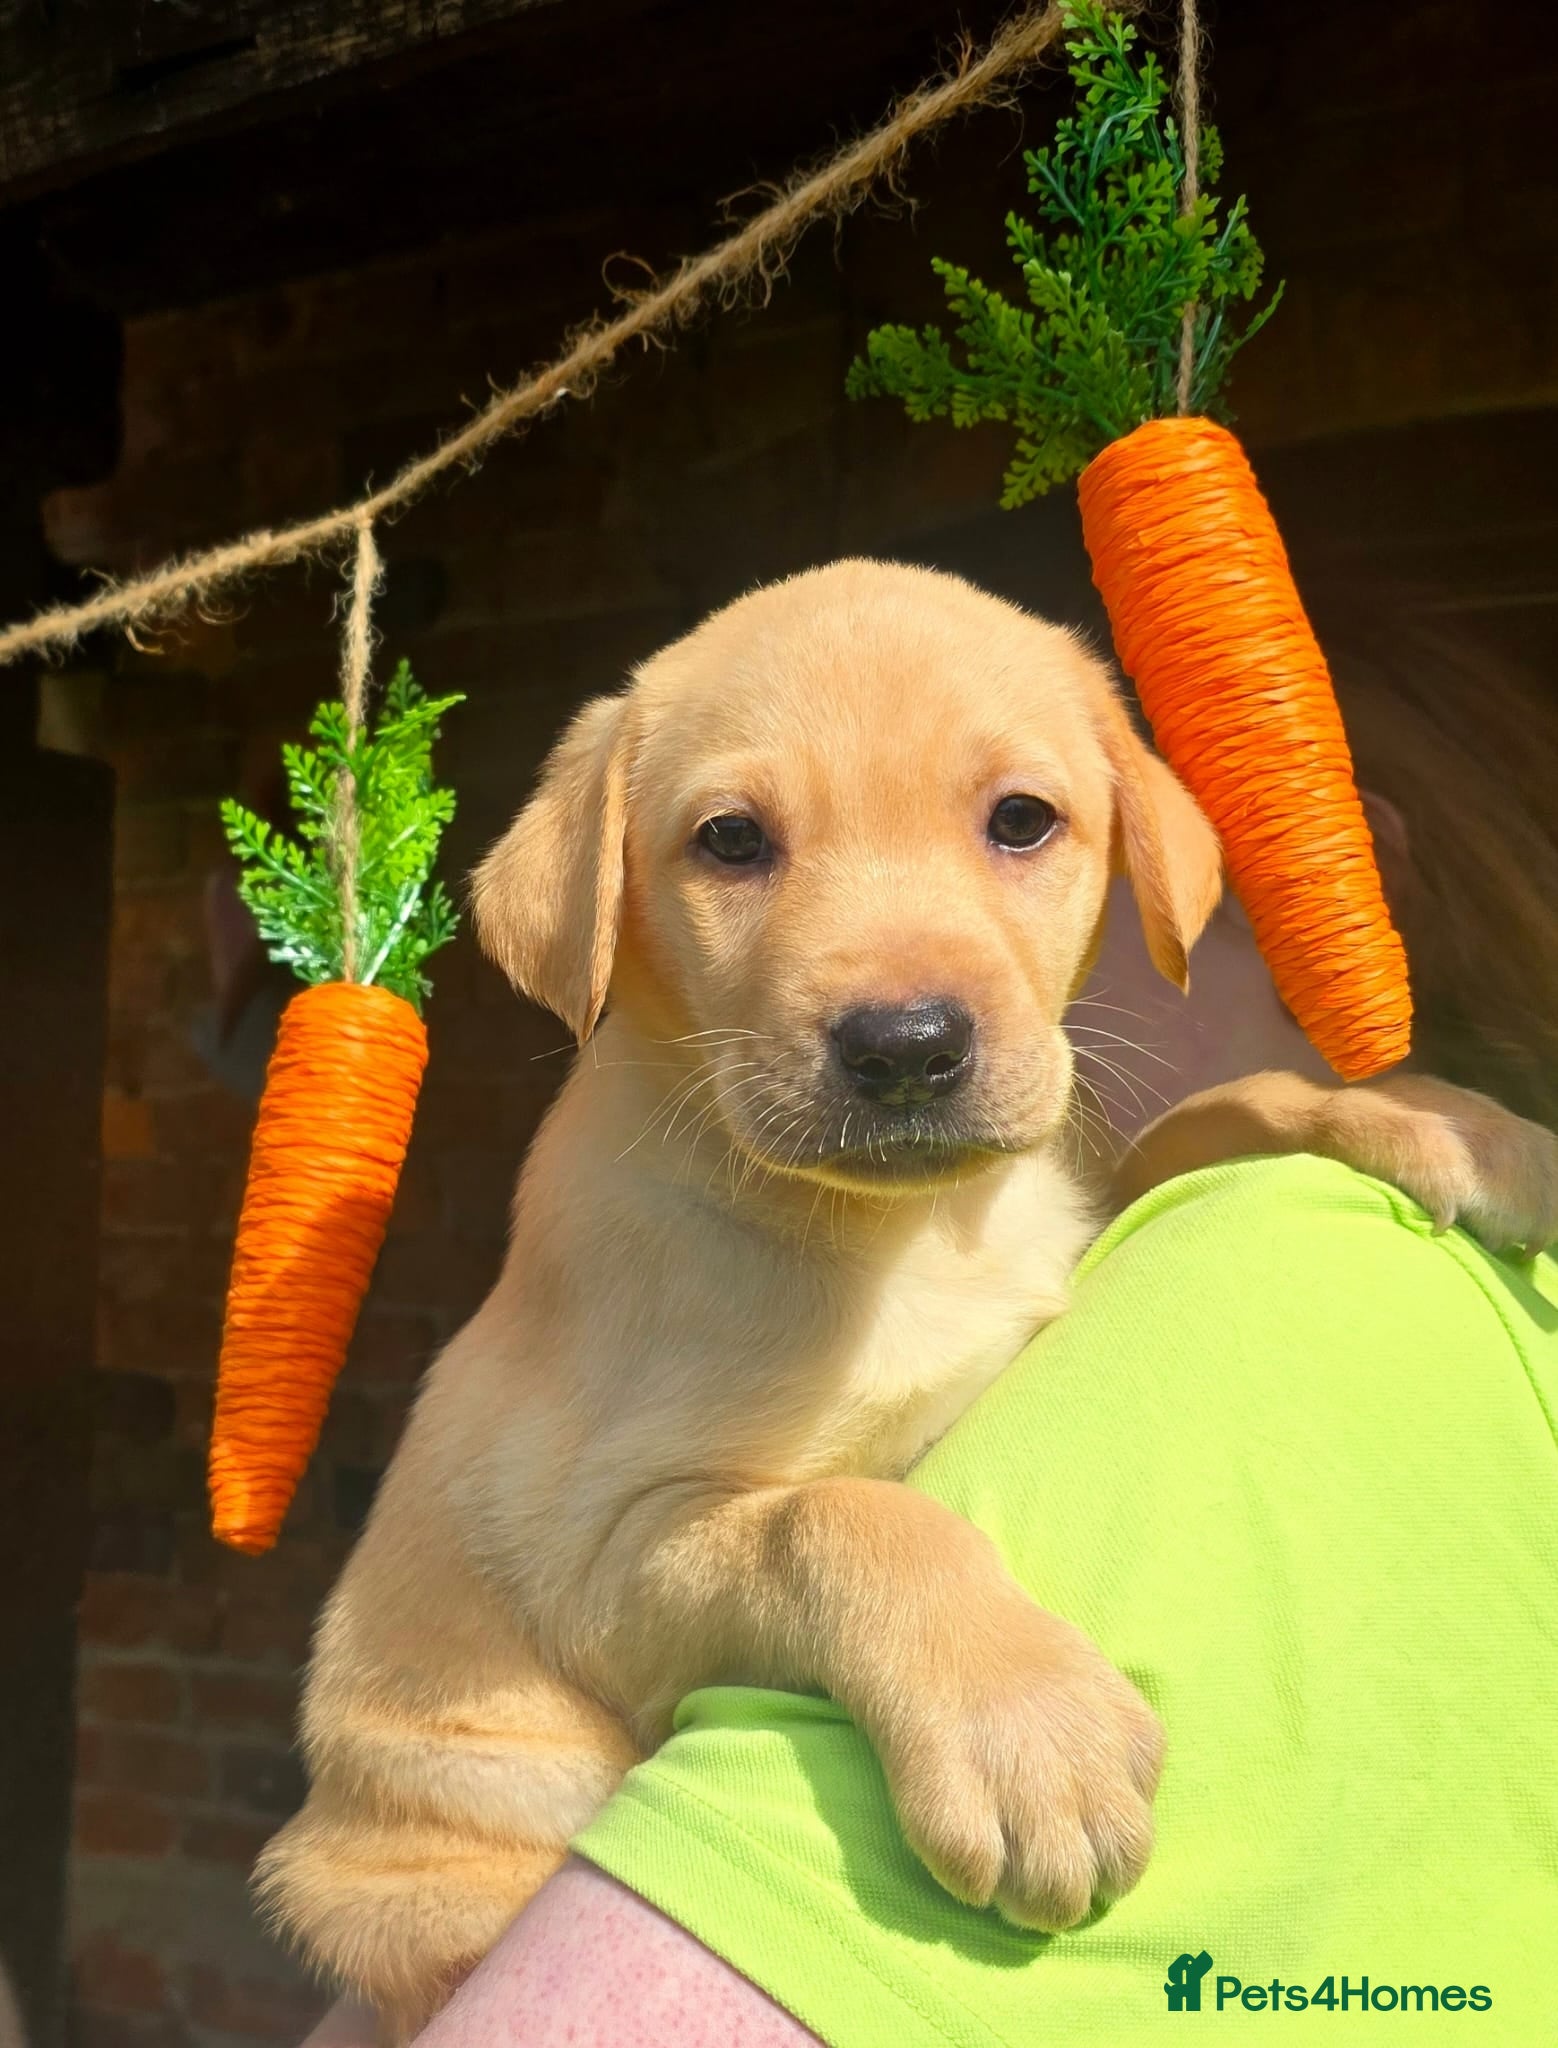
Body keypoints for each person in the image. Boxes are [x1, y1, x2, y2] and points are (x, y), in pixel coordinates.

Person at [304, 610, 1558, 2048]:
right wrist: (888, 1576)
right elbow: (617, 1564)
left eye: (1017, 822)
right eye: (734, 844)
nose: (902, 1007)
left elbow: (1077, 1235)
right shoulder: (641, 1207)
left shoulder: (1241, 1255)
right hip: (485, 1885)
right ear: (607, 907)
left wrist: (1296, 1119)